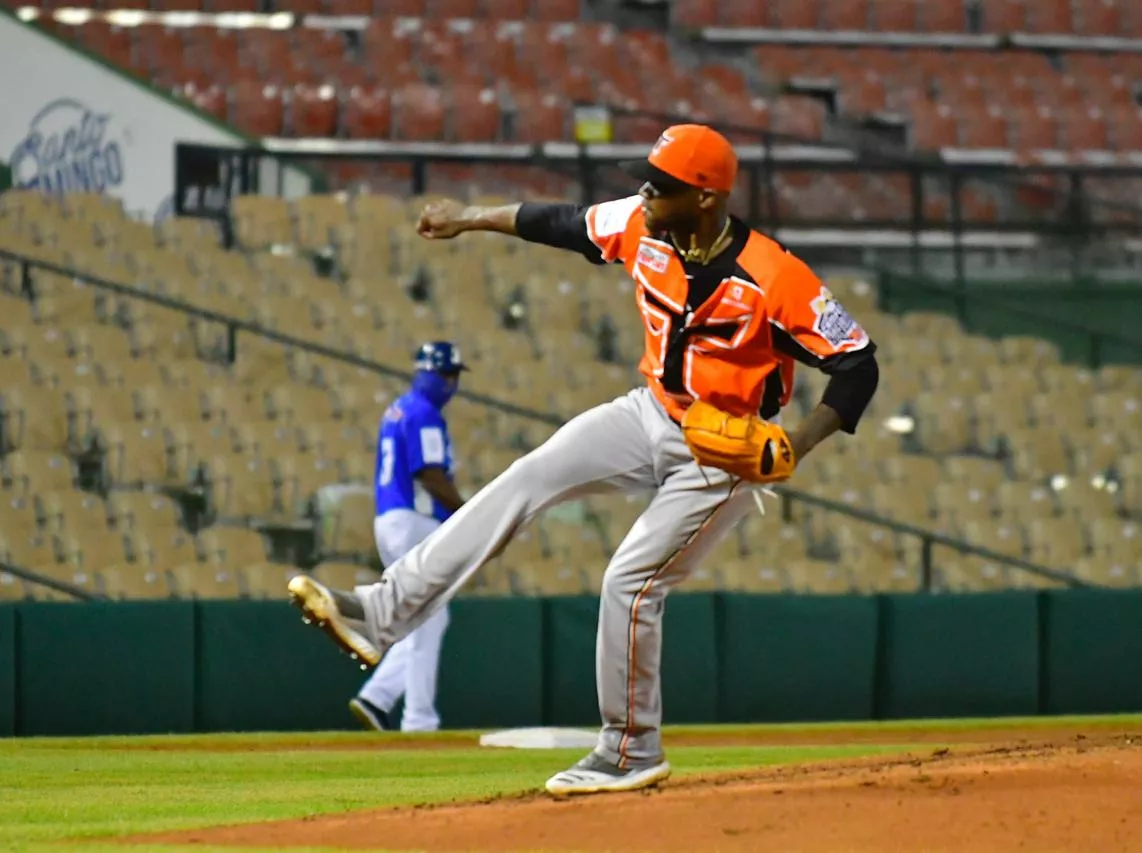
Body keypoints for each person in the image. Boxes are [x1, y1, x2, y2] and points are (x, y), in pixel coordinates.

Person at [288, 124, 880, 795]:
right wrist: (469, 218)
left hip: (726, 449)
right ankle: (379, 610)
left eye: (663, 184)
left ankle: (630, 748)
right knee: (527, 476)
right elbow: (562, 222)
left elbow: (858, 365)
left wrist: (795, 444)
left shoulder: (775, 276)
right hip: (652, 410)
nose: (645, 190)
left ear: (708, 198)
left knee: (629, 580)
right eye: (646, 178)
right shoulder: (640, 224)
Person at [346, 342, 468, 733]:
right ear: (429, 374)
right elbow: (430, 474)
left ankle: (377, 699)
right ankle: (418, 720)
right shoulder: (423, 413)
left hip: (393, 519)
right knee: (425, 617)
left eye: (454, 376)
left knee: (432, 617)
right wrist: (470, 514)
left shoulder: (399, 407)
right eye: (447, 375)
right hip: (413, 520)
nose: (451, 383)